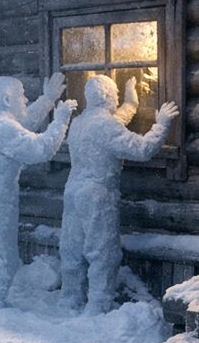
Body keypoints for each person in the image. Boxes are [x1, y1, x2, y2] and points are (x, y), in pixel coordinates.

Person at [0, 74, 76, 310]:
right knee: (2, 261)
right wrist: (60, 120)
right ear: (8, 99)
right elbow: (41, 149)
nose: (26, 99)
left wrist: (48, 99)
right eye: (22, 95)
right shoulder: (3, 127)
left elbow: (23, 126)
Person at [60, 75, 179, 313]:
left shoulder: (80, 122)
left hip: (73, 192)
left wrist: (131, 103)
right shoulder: (105, 125)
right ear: (106, 96)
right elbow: (143, 149)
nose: (116, 99)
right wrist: (162, 124)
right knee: (102, 253)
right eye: (114, 94)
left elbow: (112, 126)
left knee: (72, 249)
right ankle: (98, 309)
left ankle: (69, 301)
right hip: (97, 194)